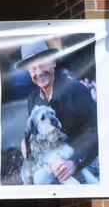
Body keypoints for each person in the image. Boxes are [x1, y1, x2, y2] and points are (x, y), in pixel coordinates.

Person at [16, 46, 98, 182]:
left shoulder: (76, 90)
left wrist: (74, 161)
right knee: (28, 177)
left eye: (42, 65)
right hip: (52, 160)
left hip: (84, 159)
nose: (39, 72)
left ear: (54, 63)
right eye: (33, 69)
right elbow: (33, 130)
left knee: (42, 178)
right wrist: (25, 141)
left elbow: (94, 131)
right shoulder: (33, 99)